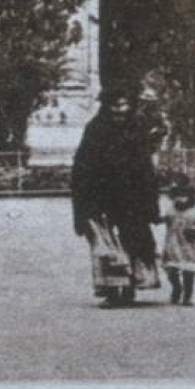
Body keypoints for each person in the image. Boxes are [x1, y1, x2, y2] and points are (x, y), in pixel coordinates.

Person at [70, 92, 166, 307]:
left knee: (132, 241)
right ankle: (112, 289)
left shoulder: (137, 129)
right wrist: (85, 200)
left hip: (131, 197)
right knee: (107, 244)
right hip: (103, 196)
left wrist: (150, 202)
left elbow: (146, 168)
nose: (119, 110)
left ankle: (131, 287)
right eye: (115, 105)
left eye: (124, 104)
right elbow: (83, 164)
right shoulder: (95, 130)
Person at [160, 177, 195, 307]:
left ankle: (187, 296)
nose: (180, 199)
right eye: (177, 195)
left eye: (184, 195)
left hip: (188, 246)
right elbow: (166, 219)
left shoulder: (194, 212)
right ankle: (176, 287)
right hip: (172, 244)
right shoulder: (171, 210)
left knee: (189, 271)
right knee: (170, 269)